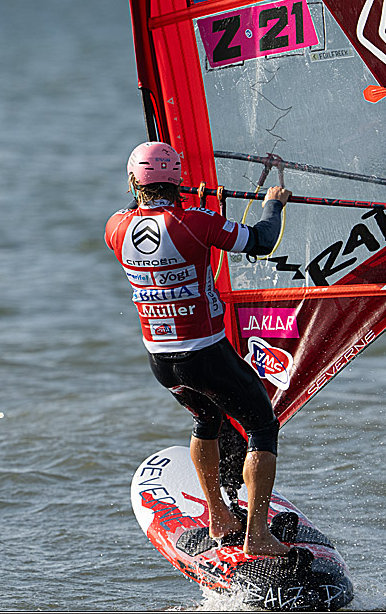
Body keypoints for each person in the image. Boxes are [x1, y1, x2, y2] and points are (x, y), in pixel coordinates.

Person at [105, 141, 292, 557]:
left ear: (133, 181)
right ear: (178, 180)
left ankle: (218, 517)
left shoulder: (115, 227)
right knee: (262, 426)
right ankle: (257, 535)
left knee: (206, 418)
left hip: (161, 360)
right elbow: (261, 241)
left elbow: (143, 213)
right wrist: (273, 204)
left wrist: (172, 202)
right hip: (205, 353)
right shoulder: (195, 222)